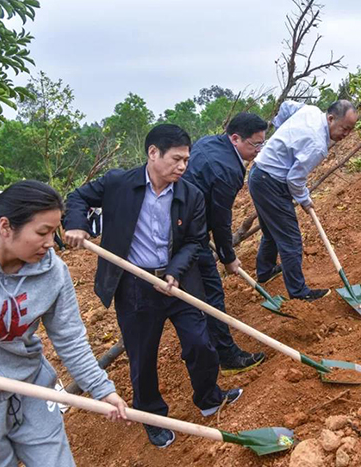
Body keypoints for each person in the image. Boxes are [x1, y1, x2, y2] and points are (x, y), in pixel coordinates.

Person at [64, 124, 242, 449]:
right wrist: (76, 224)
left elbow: (194, 241)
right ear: (153, 153)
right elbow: (76, 197)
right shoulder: (119, 183)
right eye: (176, 159)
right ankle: (152, 416)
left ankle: (210, 398)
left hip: (178, 281)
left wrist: (174, 272)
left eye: (186, 160)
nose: (183, 166)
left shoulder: (190, 194)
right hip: (134, 285)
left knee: (200, 342)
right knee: (142, 357)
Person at [0, 180, 127, 467]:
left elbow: (70, 338)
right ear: (6, 227)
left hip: (31, 389)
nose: (50, 243)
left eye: (53, 232)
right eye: (42, 232)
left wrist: (101, 388)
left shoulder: (53, 272)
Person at [183, 112, 267, 375]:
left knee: (197, 297)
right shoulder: (228, 170)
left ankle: (204, 348)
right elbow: (221, 219)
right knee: (211, 294)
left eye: (262, 143)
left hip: (184, 221)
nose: (258, 150)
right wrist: (227, 256)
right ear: (235, 138)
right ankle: (226, 356)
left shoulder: (209, 142)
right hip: (188, 235)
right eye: (255, 144)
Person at [248, 100, 358, 301]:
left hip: (258, 175)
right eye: (344, 128)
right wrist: (305, 200)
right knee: (291, 241)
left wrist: (282, 130)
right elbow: (295, 179)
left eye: (350, 130)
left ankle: (265, 271)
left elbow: (286, 106)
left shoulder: (311, 111)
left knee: (272, 231)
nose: (346, 134)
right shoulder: (317, 144)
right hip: (271, 182)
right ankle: (299, 293)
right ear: (331, 118)